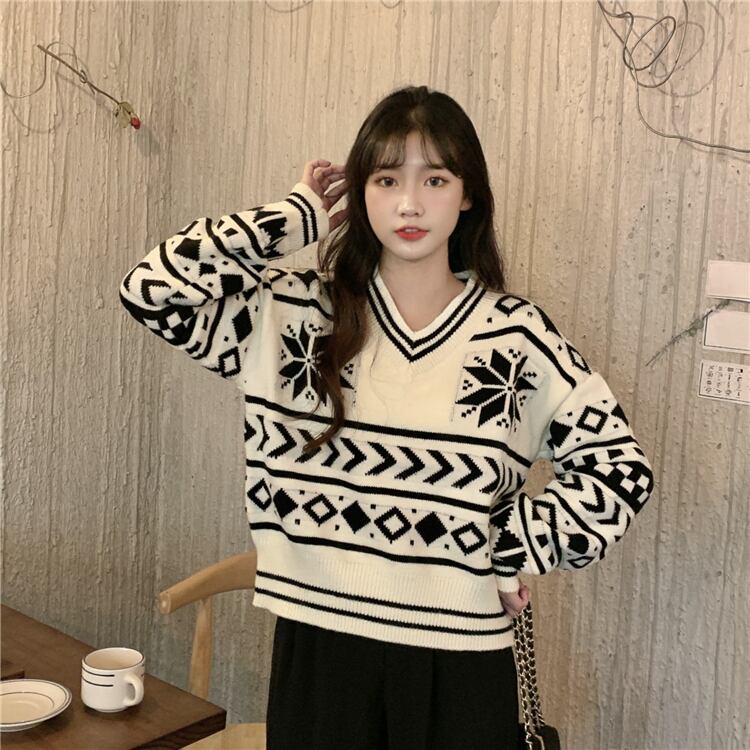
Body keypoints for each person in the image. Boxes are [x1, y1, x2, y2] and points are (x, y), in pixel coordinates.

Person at [119, 85, 654, 749]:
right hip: (319, 650)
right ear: (360, 192)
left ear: (467, 195)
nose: (409, 203)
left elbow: (619, 471)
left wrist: (509, 546)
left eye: (435, 179)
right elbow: (151, 290)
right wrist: (296, 216)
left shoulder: (516, 339)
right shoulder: (295, 317)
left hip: (459, 663)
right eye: (386, 178)